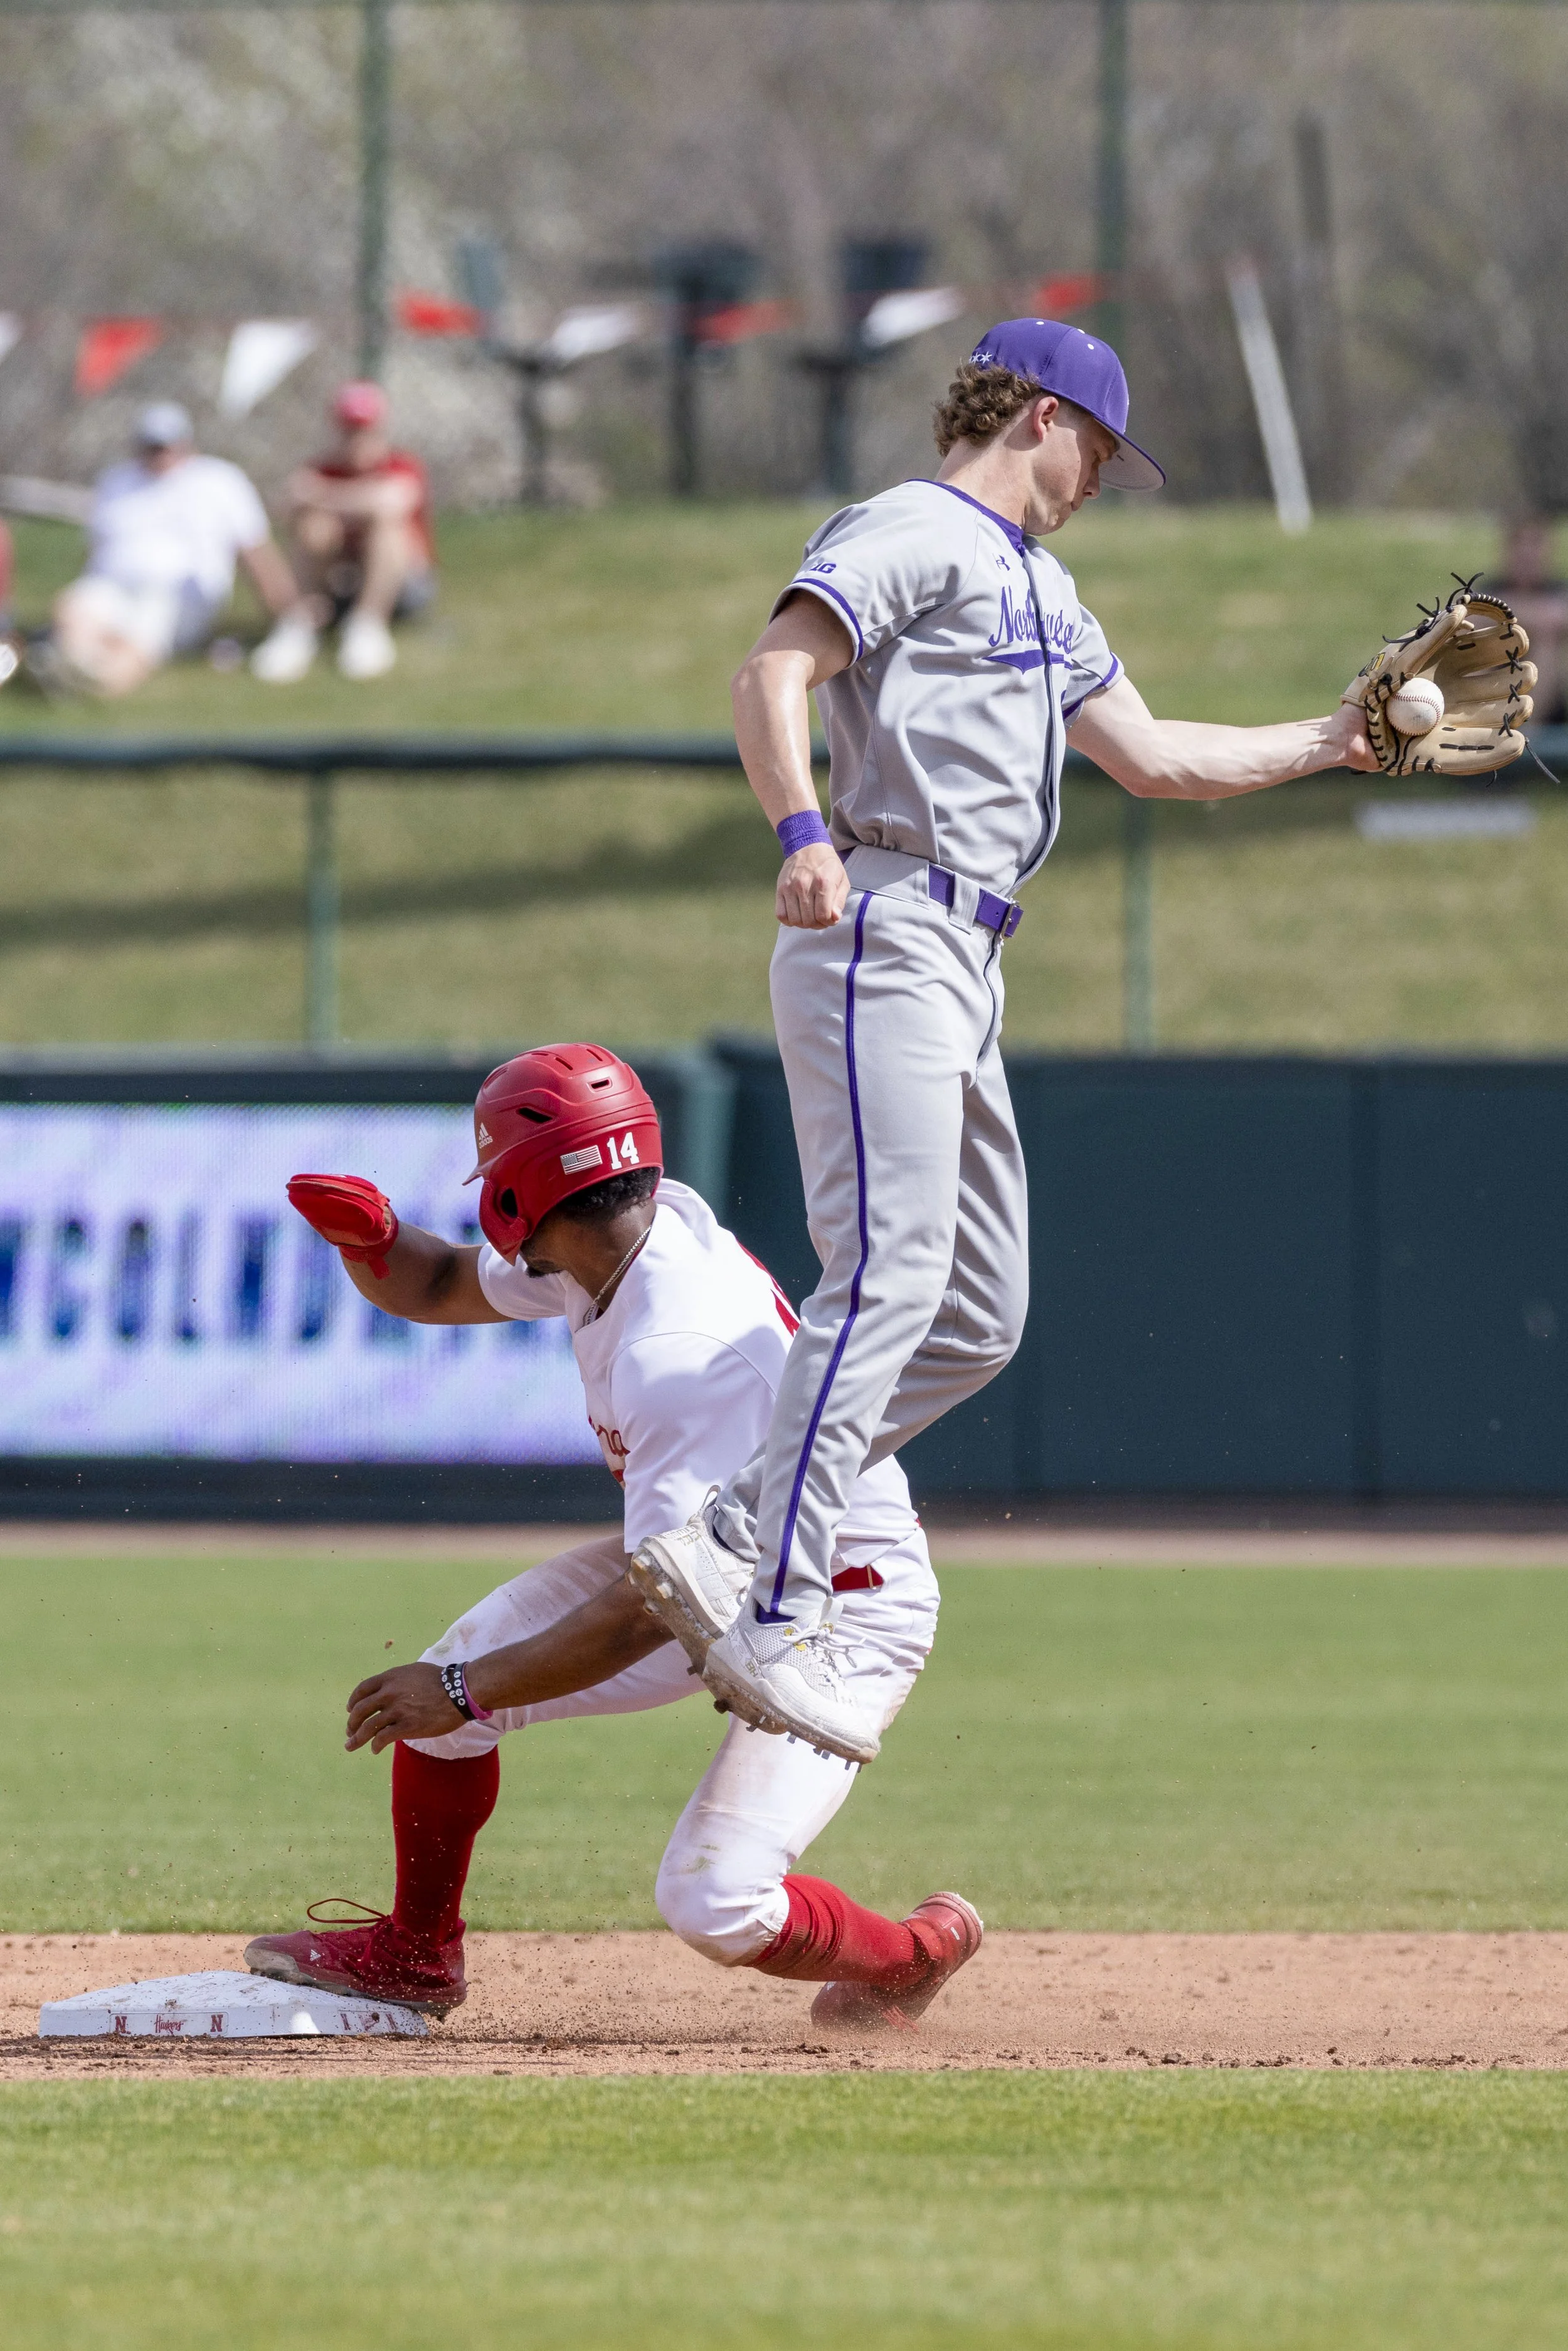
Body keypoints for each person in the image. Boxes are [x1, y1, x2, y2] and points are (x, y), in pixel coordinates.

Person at [633, 315, 1380, 1765]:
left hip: (972, 956)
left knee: (978, 1311)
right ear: (1040, 413)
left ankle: (731, 1524)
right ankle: (769, 1596)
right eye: (1100, 443)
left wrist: (1331, 739)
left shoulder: (1052, 587)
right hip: (885, 909)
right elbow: (770, 673)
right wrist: (799, 827)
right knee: (894, 1268)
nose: (1105, 471)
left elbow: (1158, 759)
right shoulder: (913, 528)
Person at [243, 1043, 982, 2031]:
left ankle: (912, 1957)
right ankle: (416, 1956)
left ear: (520, 1191)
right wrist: (376, 1243)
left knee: (713, 1902)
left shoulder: (672, 1350)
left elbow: (653, 1612)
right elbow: (439, 1285)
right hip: (721, 1559)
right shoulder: (626, 1234)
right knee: (460, 1675)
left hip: (834, 1610)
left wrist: (461, 1692)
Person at [44, 402, 307, 697]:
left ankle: (95, 684)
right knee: (75, 609)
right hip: (114, 587)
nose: (160, 455)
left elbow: (256, 553)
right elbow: (97, 550)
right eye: (152, 446)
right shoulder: (115, 480)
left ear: (186, 443)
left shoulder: (220, 481)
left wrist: (289, 616)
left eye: (167, 446)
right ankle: (73, 670)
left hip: (180, 596)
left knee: (142, 635)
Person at [252, 381, 435, 684]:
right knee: (314, 524)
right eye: (350, 430)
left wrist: (323, 495)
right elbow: (286, 504)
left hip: (404, 588)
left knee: (385, 528)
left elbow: (390, 503)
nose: (357, 439)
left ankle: (368, 626)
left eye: (365, 430)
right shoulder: (322, 468)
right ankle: (300, 626)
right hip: (336, 584)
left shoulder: (402, 465)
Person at [1493, 514, 1568, 728]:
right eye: (1521, 545)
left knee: (1546, 637)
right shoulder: (1491, 590)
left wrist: (1510, 617)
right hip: (1493, 693)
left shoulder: (1557, 590)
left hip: (1549, 712)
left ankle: (1528, 728)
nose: (1527, 554)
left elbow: (1557, 618)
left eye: (1535, 545)